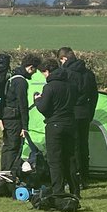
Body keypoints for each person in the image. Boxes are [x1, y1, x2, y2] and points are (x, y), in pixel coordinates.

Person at [33, 58, 79, 200]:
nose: (44, 76)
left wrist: (37, 99)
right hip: (70, 124)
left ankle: (58, 191)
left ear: (48, 71)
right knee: (70, 158)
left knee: (55, 160)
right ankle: (75, 190)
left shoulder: (50, 87)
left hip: (54, 125)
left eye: (44, 73)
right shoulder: (71, 84)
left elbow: (44, 108)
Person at [58, 47, 100, 192]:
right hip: (85, 112)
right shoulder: (89, 74)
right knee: (83, 145)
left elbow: (64, 94)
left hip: (71, 113)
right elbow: (95, 95)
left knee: (72, 147)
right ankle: (84, 177)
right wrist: (91, 112)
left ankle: (74, 179)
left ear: (63, 59)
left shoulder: (66, 73)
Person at [0, 54, 40, 172]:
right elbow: (22, 104)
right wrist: (25, 126)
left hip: (6, 115)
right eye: (35, 70)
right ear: (30, 67)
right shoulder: (21, 82)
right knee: (14, 146)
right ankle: (10, 173)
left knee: (7, 145)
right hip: (14, 117)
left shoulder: (12, 77)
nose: (34, 73)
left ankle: (4, 171)